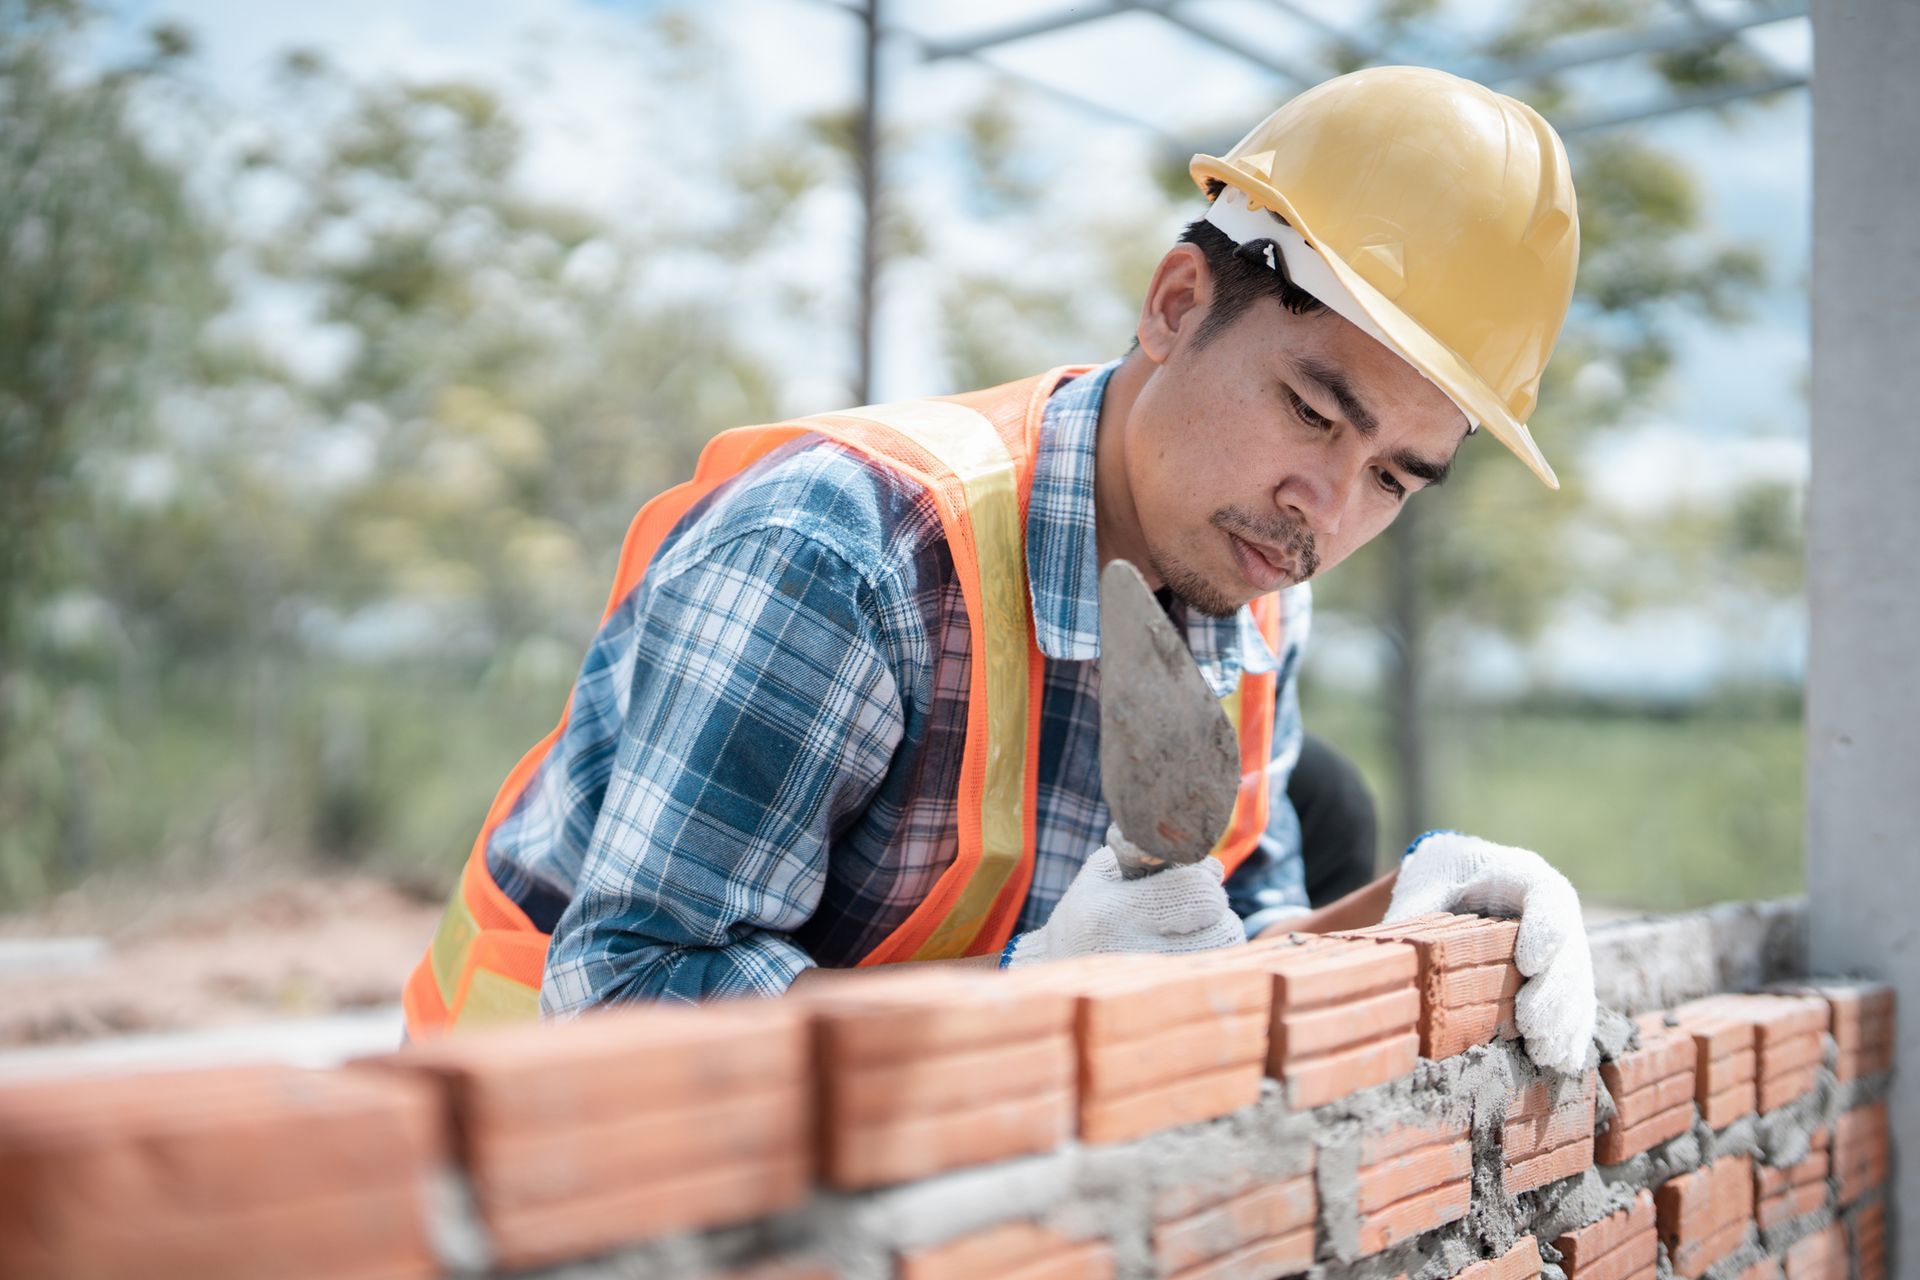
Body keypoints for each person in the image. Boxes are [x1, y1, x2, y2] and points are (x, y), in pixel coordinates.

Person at [404, 66, 1596, 1073]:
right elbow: (625, 1000)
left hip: (894, 1149)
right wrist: (1030, 1000)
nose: (1325, 512)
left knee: (1329, 807)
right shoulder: (846, 551)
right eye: (1310, 410)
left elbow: (1227, 950)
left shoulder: (1258, 587)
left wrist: (1407, 919)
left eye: (1394, 476)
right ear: (1178, 305)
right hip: (521, 1169)